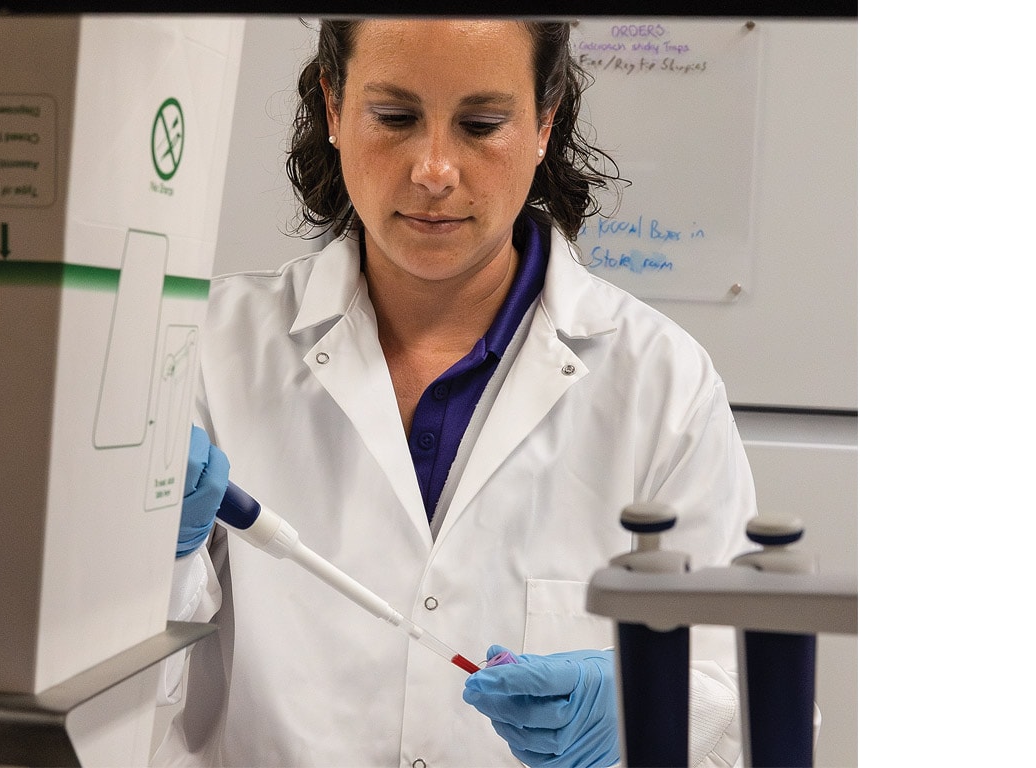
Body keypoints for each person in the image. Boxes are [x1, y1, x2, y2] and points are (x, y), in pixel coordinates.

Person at [152, 18, 757, 768]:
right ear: (333, 107)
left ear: (546, 120)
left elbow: (755, 713)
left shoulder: (662, 384)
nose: (434, 170)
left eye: (480, 124)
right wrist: (141, 564)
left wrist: (656, 715)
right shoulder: (207, 351)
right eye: (395, 117)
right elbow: (110, 710)